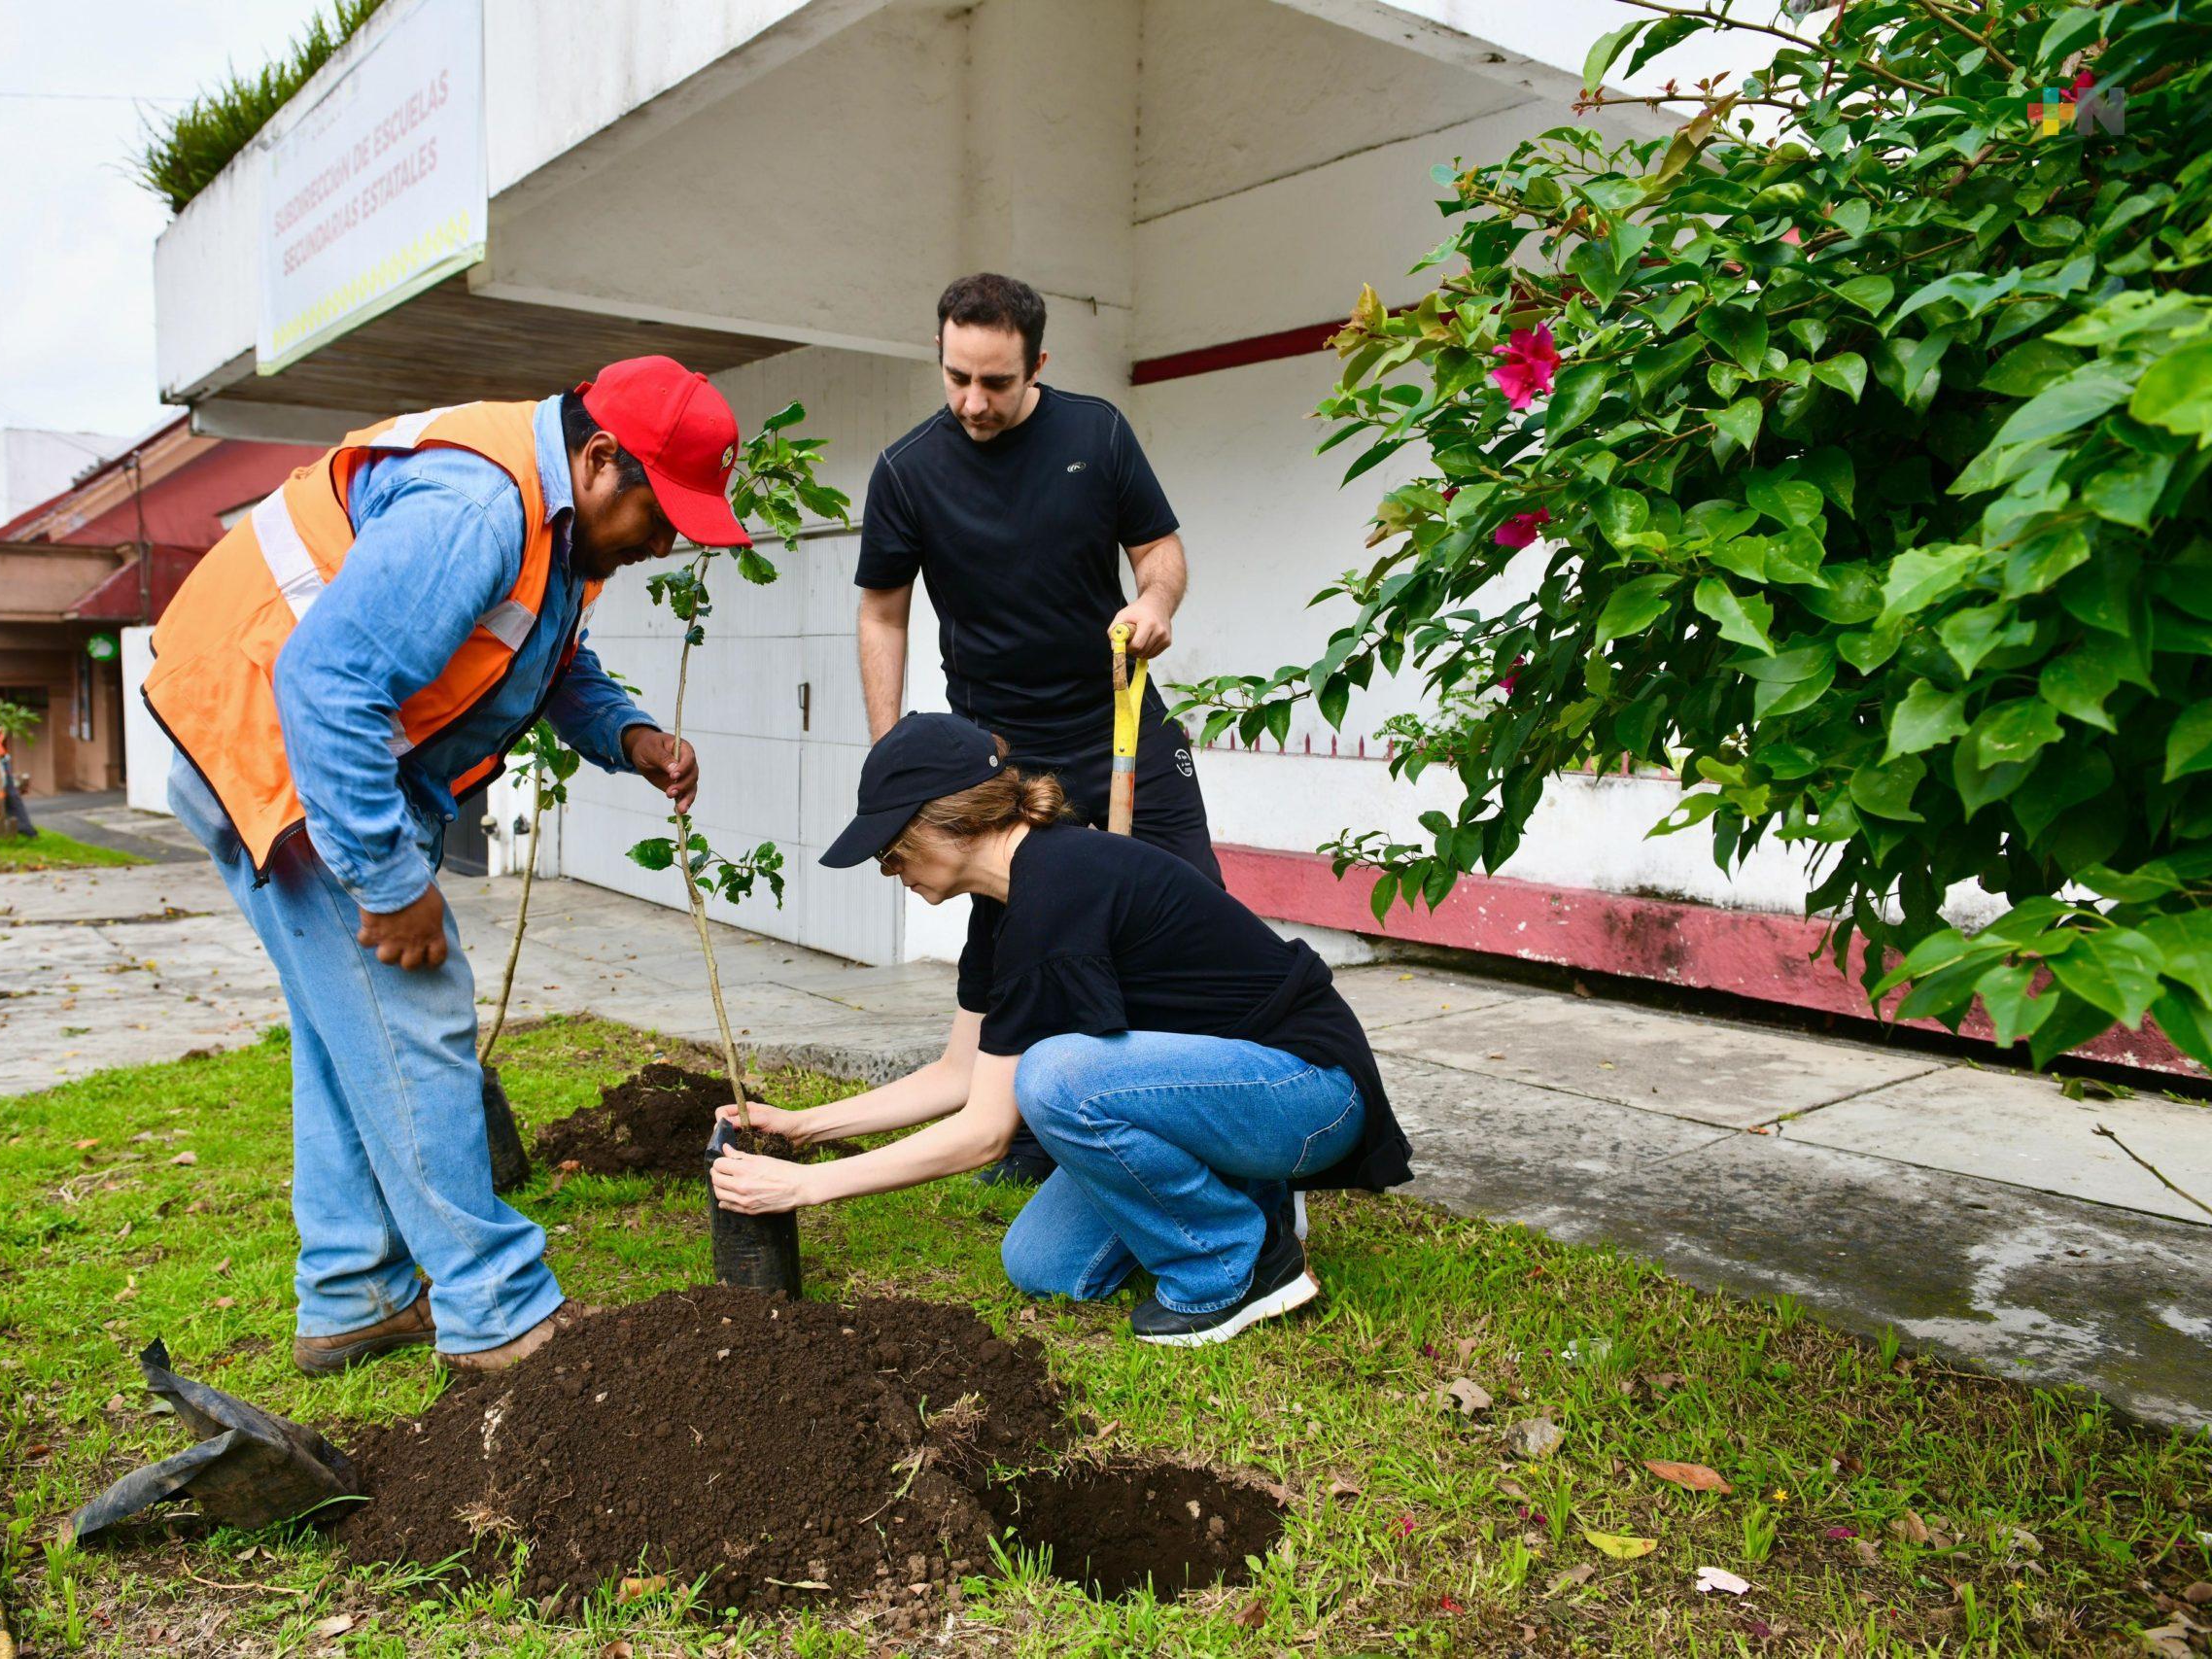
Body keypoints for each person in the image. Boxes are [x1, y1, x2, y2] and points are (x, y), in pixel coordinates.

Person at [145, 358, 755, 1374]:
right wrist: (391, 885)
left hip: (310, 753)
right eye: (663, 513)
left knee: (352, 1040)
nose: (667, 541)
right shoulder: (478, 506)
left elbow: (539, 653)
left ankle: (354, 1295)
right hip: (286, 754)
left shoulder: (554, 525)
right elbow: (328, 685)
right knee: (415, 1010)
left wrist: (630, 734)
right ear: (602, 460)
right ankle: (497, 1312)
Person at [709, 714, 1412, 1346]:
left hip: (1312, 1092)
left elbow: (986, 1131)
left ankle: (1232, 1262)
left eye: (891, 851)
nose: (888, 871)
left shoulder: (1057, 886)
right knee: (1040, 1263)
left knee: (1055, 1077)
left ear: (944, 820)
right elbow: (957, 1075)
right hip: (1229, 1095)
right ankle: (1249, 1195)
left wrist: (803, 1189)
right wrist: (801, 1128)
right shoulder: (1003, 903)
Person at [856, 272, 1218, 1184]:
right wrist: (888, 752)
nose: (973, 401)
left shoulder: (1095, 434)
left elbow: (1160, 551)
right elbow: (883, 616)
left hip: (1124, 721)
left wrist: (1156, 601)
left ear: (1037, 364)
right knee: (1018, 942)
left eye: (996, 382)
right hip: (1003, 754)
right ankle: (1020, 1126)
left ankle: (1202, 1112)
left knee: (1191, 919)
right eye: (956, 378)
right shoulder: (906, 470)